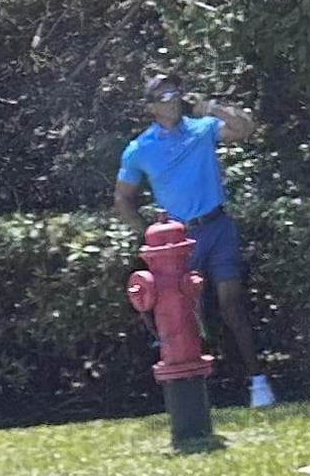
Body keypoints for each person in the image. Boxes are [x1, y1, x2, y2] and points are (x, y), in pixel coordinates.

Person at [113, 71, 276, 408]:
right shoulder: (139, 149)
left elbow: (245, 128)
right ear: (151, 107)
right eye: (163, 96)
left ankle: (259, 383)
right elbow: (123, 199)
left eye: (175, 93)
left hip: (217, 226)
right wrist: (150, 236)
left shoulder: (202, 129)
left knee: (231, 304)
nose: (172, 101)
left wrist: (212, 107)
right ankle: (201, 393)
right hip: (178, 241)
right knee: (188, 316)